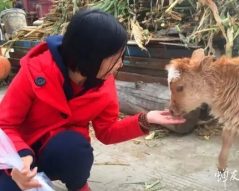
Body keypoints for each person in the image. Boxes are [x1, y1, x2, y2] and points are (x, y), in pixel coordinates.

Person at [0, 9, 185, 191]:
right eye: (116, 57)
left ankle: (79, 185)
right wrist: (20, 159)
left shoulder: (103, 83)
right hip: (18, 155)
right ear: (91, 56)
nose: (120, 63)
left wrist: (146, 119)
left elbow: (107, 131)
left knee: (74, 147)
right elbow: (5, 124)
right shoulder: (36, 70)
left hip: (59, 151)